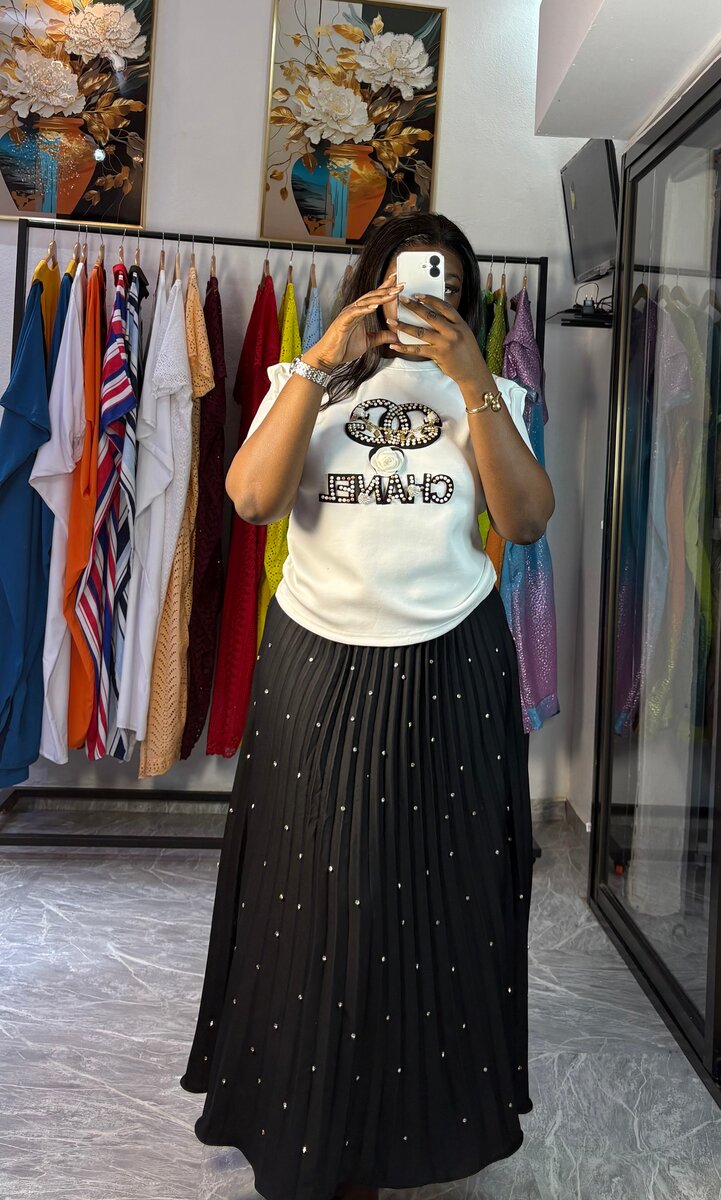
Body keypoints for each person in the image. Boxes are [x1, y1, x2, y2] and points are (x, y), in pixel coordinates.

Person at [180, 212, 555, 1200]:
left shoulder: (491, 394)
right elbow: (252, 501)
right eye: (403, 281)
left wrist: (473, 381)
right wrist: (319, 361)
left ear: (466, 299)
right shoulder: (303, 385)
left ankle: (420, 1129)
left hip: (453, 658)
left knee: (442, 898)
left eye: (446, 286)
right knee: (309, 899)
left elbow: (523, 520)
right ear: (369, 285)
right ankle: (302, 1124)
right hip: (318, 657)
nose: (424, 299)